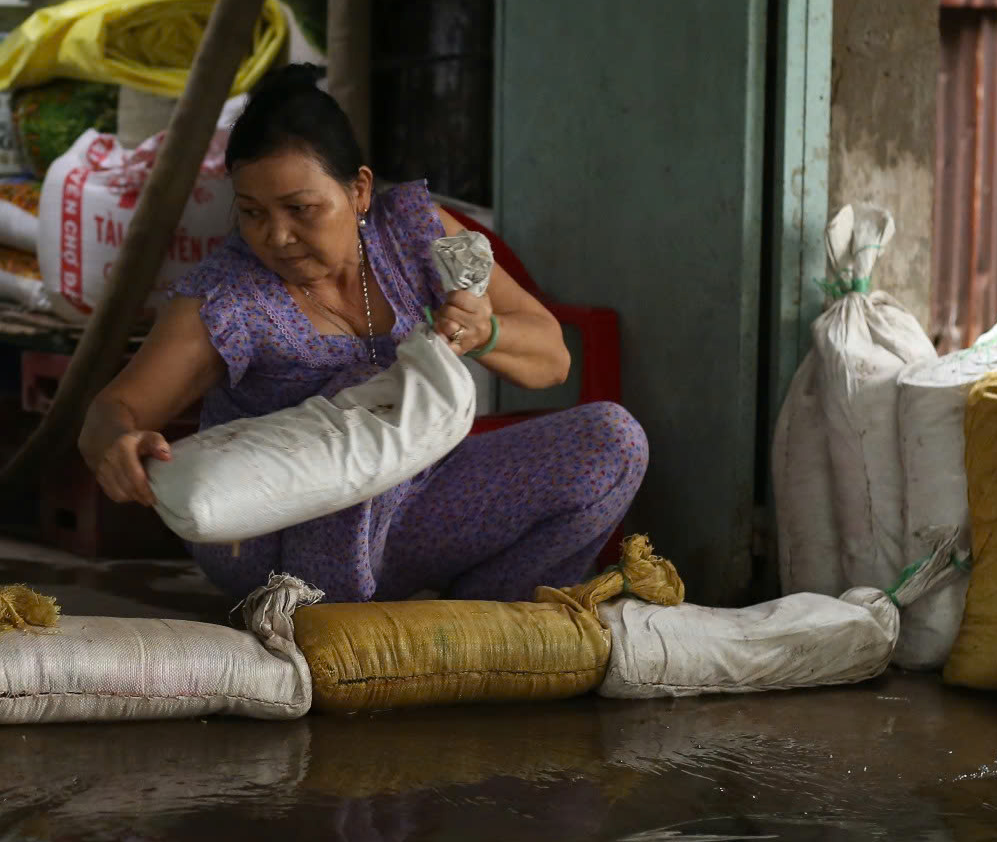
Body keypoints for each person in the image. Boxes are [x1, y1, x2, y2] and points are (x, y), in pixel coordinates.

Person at [80, 64, 648, 603]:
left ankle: (483, 625)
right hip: (279, 540)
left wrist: (487, 332)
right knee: (360, 399)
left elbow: (552, 358)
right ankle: (339, 625)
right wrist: (119, 446)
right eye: (252, 213)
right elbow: (114, 410)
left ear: (359, 191)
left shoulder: (414, 231)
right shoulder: (227, 297)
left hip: (416, 506)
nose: (276, 236)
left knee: (613, 441)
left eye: (301, 208)